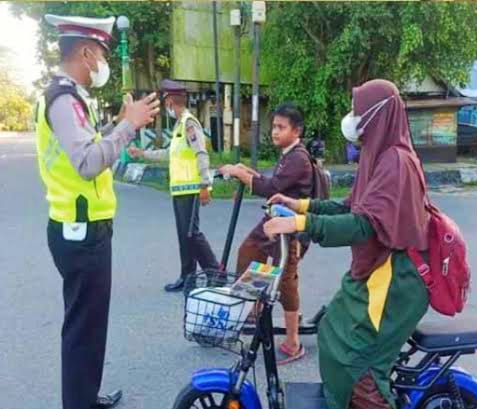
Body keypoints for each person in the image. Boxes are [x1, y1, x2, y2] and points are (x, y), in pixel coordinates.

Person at [264, 80, 430, 408]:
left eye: (357, 111)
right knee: (330, 328)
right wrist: (301, 206)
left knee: (358, 364)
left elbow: (362, 225)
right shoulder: (377, 156)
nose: (351, 118)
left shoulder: (396, 162)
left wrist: (299, 224)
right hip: (376, 269)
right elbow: (349, 207)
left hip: (397, 278)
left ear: (376, 115)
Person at [36, 15, 160, 409]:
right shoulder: (63, 98)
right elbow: (88, 162)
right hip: (80, 231)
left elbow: (88, 147)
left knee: (90, 325)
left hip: (84, 227)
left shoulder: (71, 97)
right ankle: (79, 402)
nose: (104, 61)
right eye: (102, 53)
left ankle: (84, 396)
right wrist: (128, 126)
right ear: (87, 52)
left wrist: (121, 123)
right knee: (83, 328)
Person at [220, 102, 313, 365]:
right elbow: (272, 182)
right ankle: (255, 313)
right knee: (249, 254)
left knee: (286, 282)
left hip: (291, 229)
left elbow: (272, 187)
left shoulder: (298, 158)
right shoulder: (289, 154)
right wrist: (248, 173)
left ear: (296, 131)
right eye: (274, 126)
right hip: (274, 224)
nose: (275, 131)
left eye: (281, 127)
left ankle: (293, 342)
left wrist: (241, 174)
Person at [128, 79, 219, 292]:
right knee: (183, 235)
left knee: (192, 234)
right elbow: (169, 153)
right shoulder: (179, 125)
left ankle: (215, 272)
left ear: (170, 101)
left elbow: (201, 153)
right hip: (180, 191)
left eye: (165, 101)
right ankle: (187, 276)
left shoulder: (189, 123)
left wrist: (205, 185)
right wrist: (143, 154)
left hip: (192, 189)